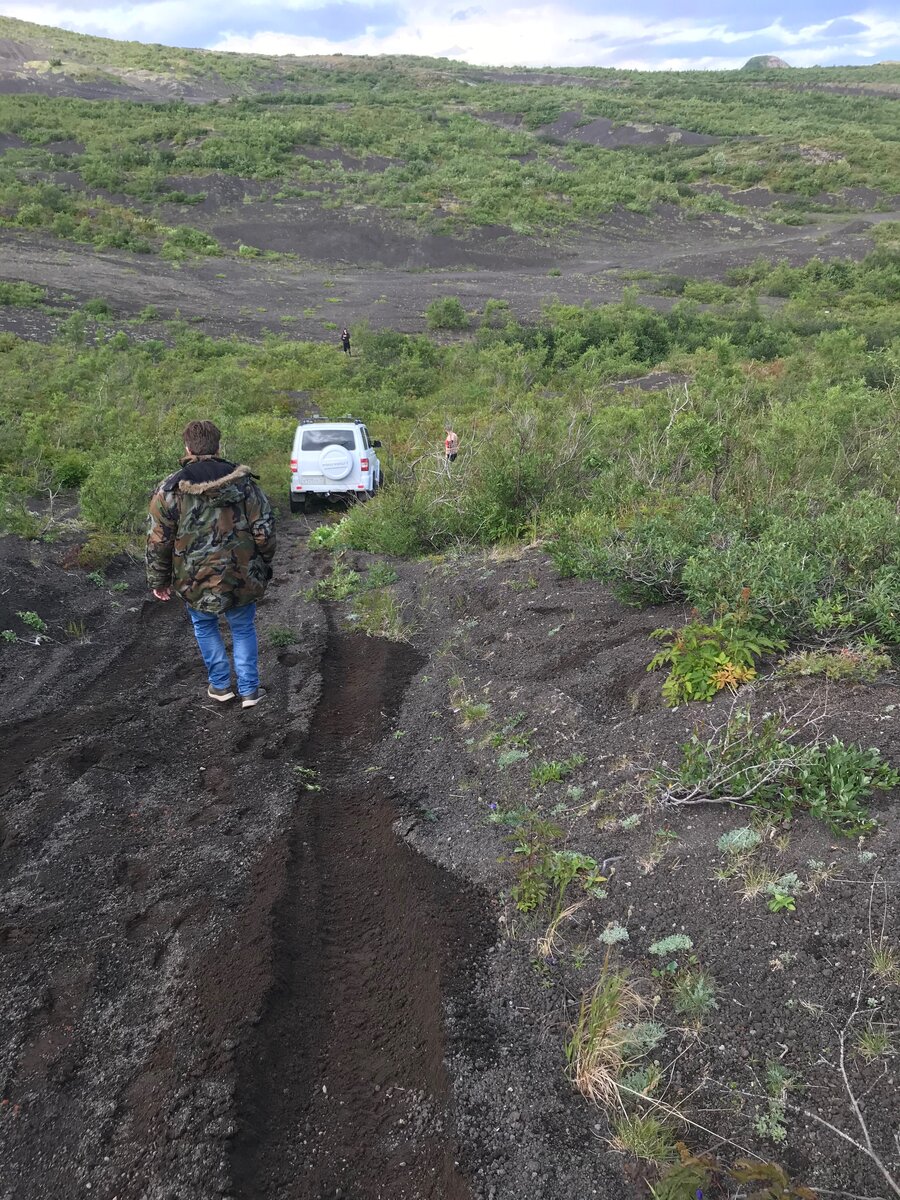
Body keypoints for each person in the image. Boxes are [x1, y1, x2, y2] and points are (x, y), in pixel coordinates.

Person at [146, 420, 276, 710]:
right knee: (242, 628)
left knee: (204, 626)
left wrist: (159, 580)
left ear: (188, 448)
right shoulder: (245, 484)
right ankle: (250, 691)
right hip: (241, 573)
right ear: (218, 446)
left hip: (193, 578)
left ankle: (220, 686)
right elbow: (264, 532)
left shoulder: (170, 488)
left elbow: (158, 540)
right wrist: (263, 563)